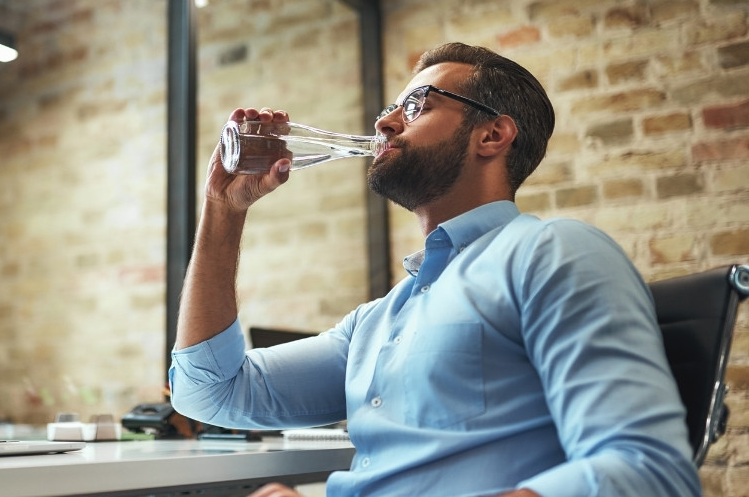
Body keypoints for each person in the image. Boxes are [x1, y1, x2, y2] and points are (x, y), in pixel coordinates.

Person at [168, 43, 701, 497]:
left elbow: (649, 470)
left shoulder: (552, 252)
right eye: (391, 107)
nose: (384, 122)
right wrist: (224, 208)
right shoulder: (379, 320)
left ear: (492, 136)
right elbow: (211, 393)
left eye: (417, 104)